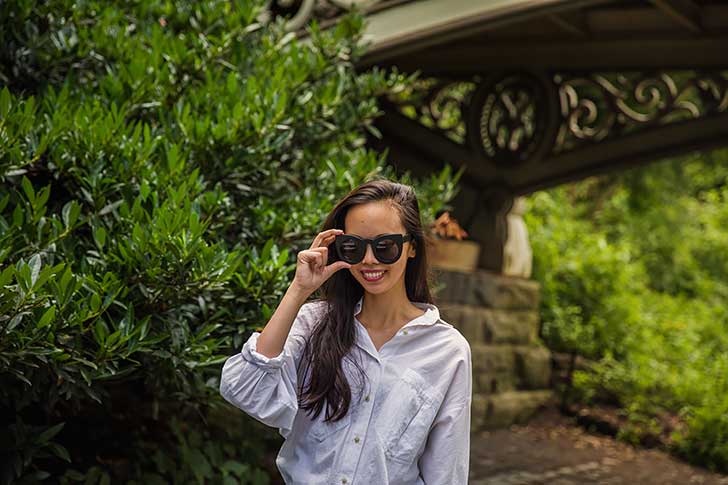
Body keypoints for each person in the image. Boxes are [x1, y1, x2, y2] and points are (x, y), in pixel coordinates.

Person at [219, 178, 472, 484]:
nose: (369, 260)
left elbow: (446, 469)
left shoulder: (447, 350)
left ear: (412, 248)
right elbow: (245, 390)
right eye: (353, 248)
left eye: (385, 246)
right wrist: (298, 289)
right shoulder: (314, 323)